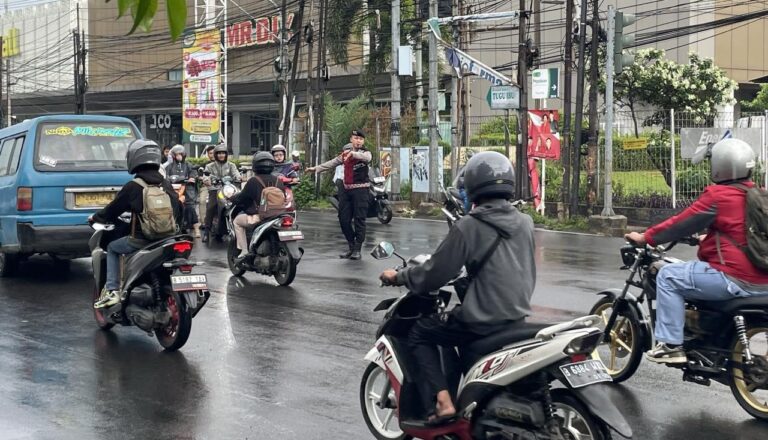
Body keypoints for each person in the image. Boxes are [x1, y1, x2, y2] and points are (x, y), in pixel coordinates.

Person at [379, 151, 536, 424]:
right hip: (517, 316)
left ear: (473, 187)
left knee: (421, 333)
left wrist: (399, 276)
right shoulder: (525, 223)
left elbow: (434, 274)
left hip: (482, 320)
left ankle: (443, 403)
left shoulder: (469, 226)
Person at [625, 138, 768, 364]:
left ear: (721, 166)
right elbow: (743, 232)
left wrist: (645, 237)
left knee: (668, 276)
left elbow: (681, 223)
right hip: (764, 282)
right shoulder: (759, 195)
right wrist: (708, 239)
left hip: (735, 279)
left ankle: (671, 345)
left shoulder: (718, 196)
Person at [90, 140, 181, 308]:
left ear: (133, 159)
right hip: (168, 239)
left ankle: (112, 290)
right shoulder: (165, 184)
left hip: (142, 240)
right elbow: (178, 207)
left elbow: (113, 209)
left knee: (112, 248)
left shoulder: (133, 186)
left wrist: (96, 218)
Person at [306, 129, 371, 260]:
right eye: (355, 138)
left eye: (360, 139)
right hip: (346, 191)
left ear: (363, 141)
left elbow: (367, 158)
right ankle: (351, 246)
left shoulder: (366, 152)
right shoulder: (344, 154)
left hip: (361, 191)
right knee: (344, 220)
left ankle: (357, 249)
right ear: (351, 140)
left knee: (359, 220)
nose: (358, 141)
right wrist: (316, 169)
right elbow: (332, 162)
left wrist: (353, 154)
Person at [230, 152, 284, 260]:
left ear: (255, 165)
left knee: (237, 221)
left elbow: (242, 197)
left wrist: (232, 198)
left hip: (260, 217)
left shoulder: (253, 181)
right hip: (278, 216)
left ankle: (244, 251)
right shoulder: (278, 181)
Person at [201, 144, 241, 242]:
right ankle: (206, 231)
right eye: (219, 153)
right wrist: (207, 180)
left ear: (226, 154)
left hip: (228, 190)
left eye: (223, 153)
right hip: (215, 189)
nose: (221, 155)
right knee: (211, 207)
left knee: (239, 204)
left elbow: (236, 174)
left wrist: (239, 177)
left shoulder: (231, 165)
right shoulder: (210, 166)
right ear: (215, 155)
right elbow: (206, 176)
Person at [165, 145, 201, 237]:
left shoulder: (188, 165)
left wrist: (192, 178)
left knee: (191, 208)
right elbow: (166, 177)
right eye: (176, 155)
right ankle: (173, 227)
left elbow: (193, 174)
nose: (179, 156)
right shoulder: (169, 166)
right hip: (174, 191)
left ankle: (196, 229)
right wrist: (179, 179)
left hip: (187, 190)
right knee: (173, 208)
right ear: (173, 156)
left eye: (180, 154)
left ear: (184, 154)